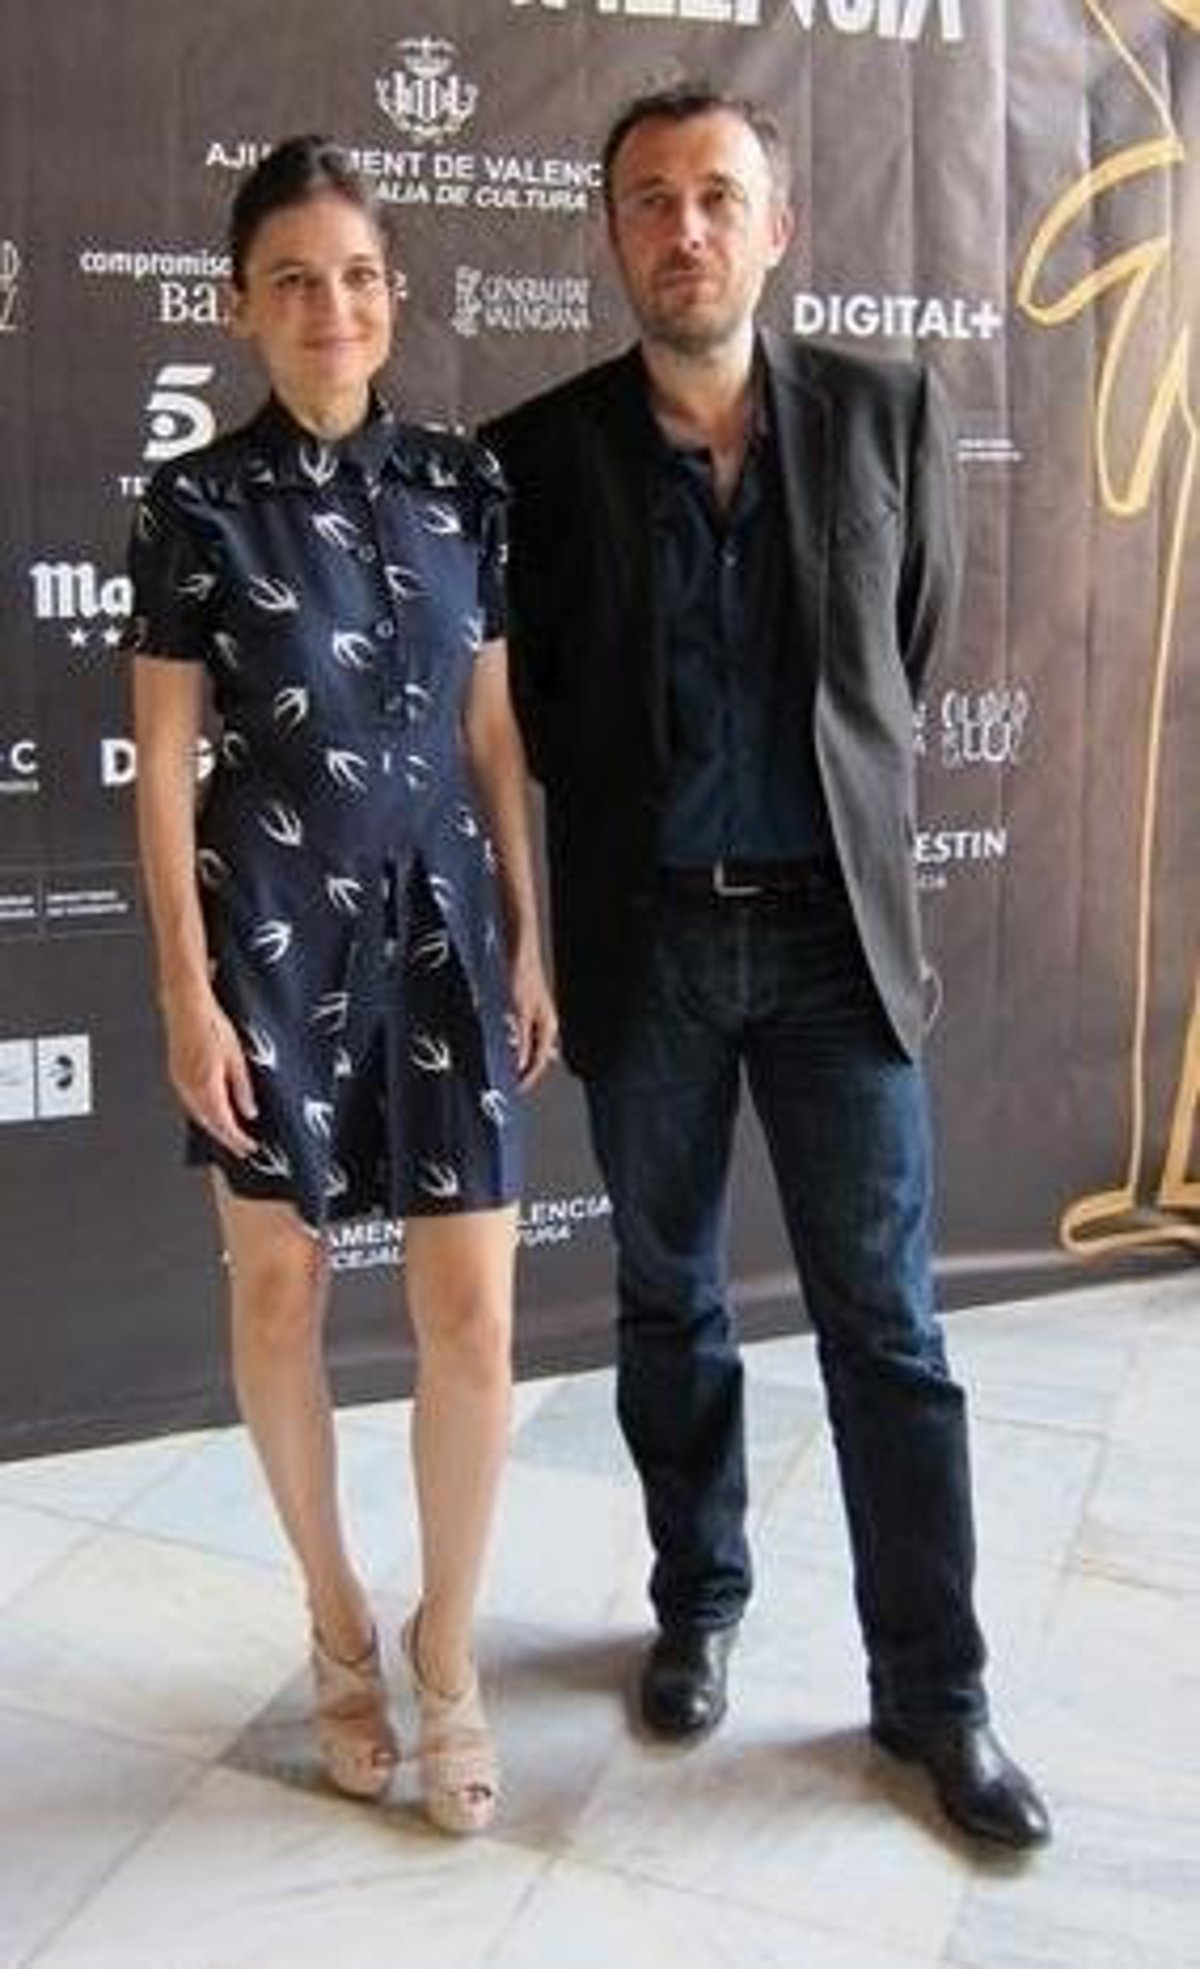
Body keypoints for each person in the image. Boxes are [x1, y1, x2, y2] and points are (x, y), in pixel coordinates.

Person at [484, 86, 1050, 1849]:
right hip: (649, 940)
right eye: (651, 200)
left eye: (719, 196)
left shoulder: (888, 412)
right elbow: (539, 707)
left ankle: (937, 1695)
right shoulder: (536, 455)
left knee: (890, 1329)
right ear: (613, 235)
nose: (687, 228)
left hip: (830, 947)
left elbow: (903, 646)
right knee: (669, 1302)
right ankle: (697, 1605)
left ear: (776, 226)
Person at [127, 135, 556, 1835]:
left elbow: (494, 727)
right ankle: (336, 1622)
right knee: (279, 1291)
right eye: (294, 280)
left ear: (394, 296)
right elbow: (164, 769)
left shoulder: (465, 483)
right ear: (240, 305)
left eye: (359, 277)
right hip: (269, 933)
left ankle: (449, 1651)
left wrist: (531, 926)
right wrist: (184, 993)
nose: (332, 308)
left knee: (476, 1316)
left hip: (446, 922)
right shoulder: (194, 504)